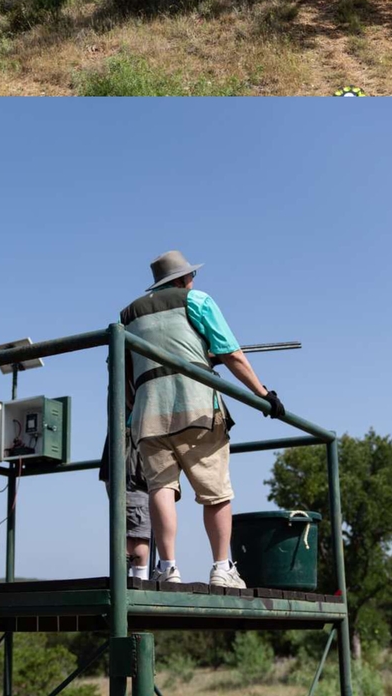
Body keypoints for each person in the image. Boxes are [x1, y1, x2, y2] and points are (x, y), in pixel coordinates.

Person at [120, 250, 285, 589]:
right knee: (216, 492)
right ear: (181, 280)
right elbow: (231, 352)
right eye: (190, 277)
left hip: (147, 416)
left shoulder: (129, 315)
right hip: (197, 410)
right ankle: (222, 568)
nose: (193, 281)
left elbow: (127, 373)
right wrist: (263, 394)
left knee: (161, 489)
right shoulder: (197, 300)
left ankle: (167, 567)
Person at [98, 430, 153, 580]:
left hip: (126, 471)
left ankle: (128, 581)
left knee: (130, 533)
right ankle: (138, 583)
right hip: (133, 474)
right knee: (137, 536)